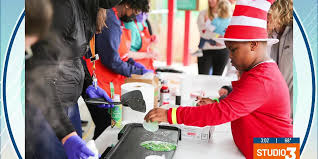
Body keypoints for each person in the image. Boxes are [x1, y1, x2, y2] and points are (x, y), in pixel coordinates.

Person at [144, 1, 293, 159]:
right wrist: (218, 103)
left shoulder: (262, 79)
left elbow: (221, 114)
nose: (230, 56)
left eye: (233, 49)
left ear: (253, 45)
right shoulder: (257, 71)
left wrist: (171, 115)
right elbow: (243, 103)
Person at [27, 0, 120, 158]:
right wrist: (66, 134)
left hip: (70, 105)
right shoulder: (63, 7)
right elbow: (40, 72)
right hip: (46, 111)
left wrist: (88, 86)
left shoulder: (89, 7)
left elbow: (73, 55)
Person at [84, 0, 151, 139]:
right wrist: (137, 72)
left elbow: (119, 54)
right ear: (128, 4)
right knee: (107, 126)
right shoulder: (110, 20)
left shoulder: (116, 20)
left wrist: (133, 63)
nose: (134, 15)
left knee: (109, 126)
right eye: (136, 11)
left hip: (109, 82)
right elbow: (112, 61)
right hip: (98, 82)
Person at [267, 0, 293, 118]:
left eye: (267, 14)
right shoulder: (275, 35)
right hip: (280, 110)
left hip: (294, 113)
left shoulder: (296, 33)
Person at [194, 0, 231, 75]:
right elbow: (203, 32)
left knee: (217, 78)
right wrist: (218, 36)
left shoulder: (227, 13)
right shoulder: (203, 13)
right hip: (206, 50)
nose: (210, 1)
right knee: (203, 77)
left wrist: (220, 37)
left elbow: (231, 31)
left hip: (223, 51)